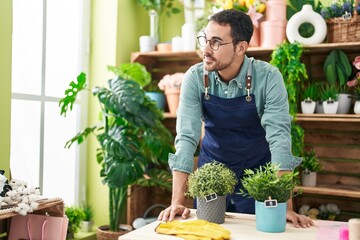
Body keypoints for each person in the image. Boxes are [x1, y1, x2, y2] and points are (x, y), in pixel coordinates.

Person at [158, 9, 314, 228]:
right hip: (212, 172)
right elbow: (186, 138)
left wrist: (283, 206)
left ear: (241, 47)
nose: (205, 50)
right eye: (205, 40)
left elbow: (279, 140)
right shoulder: (195, 77)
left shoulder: (268, 78)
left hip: (257, 175)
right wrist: (177, 202)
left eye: (216, 43)